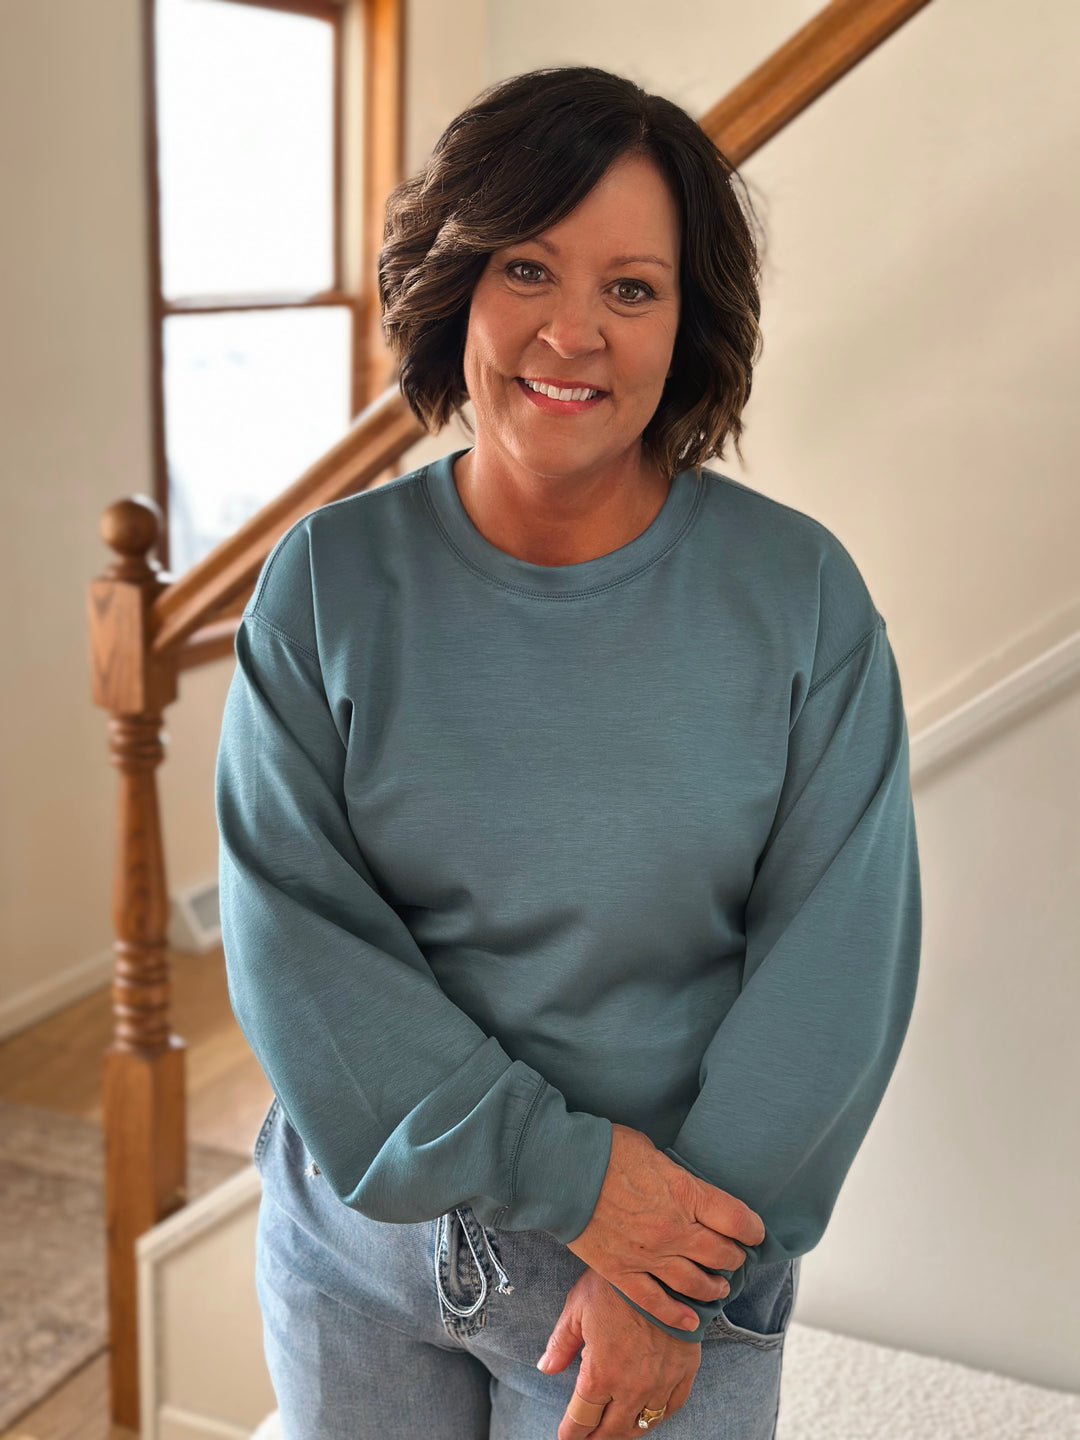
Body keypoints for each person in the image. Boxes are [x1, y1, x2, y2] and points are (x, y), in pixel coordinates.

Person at [216, 64, 922, 1440]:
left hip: (668, 1257)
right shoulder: (323, 584)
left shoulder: (802, 599)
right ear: (455, 285)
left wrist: (665, 1272)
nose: (573, 332)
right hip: (358, 1246)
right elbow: (291, 940)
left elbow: (836, 973)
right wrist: (562, 1169)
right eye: (528, 267)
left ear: (687, 322)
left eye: (633, 288)